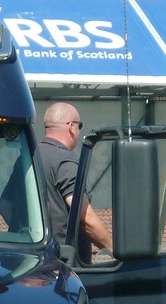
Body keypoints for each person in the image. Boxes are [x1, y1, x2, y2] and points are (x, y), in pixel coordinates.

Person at [39, 102, 112, 253]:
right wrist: (113, 249)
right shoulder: (65, 161)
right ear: (71, 126)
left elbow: (7, 206)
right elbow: (85, 217)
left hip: (33, 256)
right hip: (64, 261)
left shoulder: (30, 157)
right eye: (80, 126)